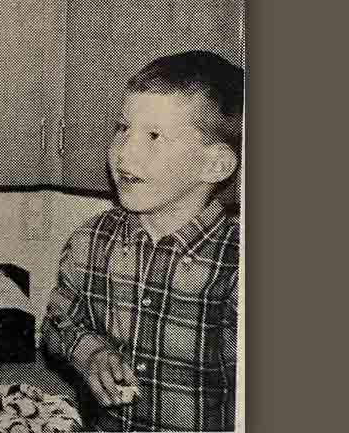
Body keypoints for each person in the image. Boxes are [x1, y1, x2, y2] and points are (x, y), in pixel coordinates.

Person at [41, 50, 243, 431]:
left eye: (153, 136)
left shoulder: (236, 265)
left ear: (215, 165)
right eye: (122, 129)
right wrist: (89, 352)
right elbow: (57, 322)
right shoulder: (90, 241)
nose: (125, 152)